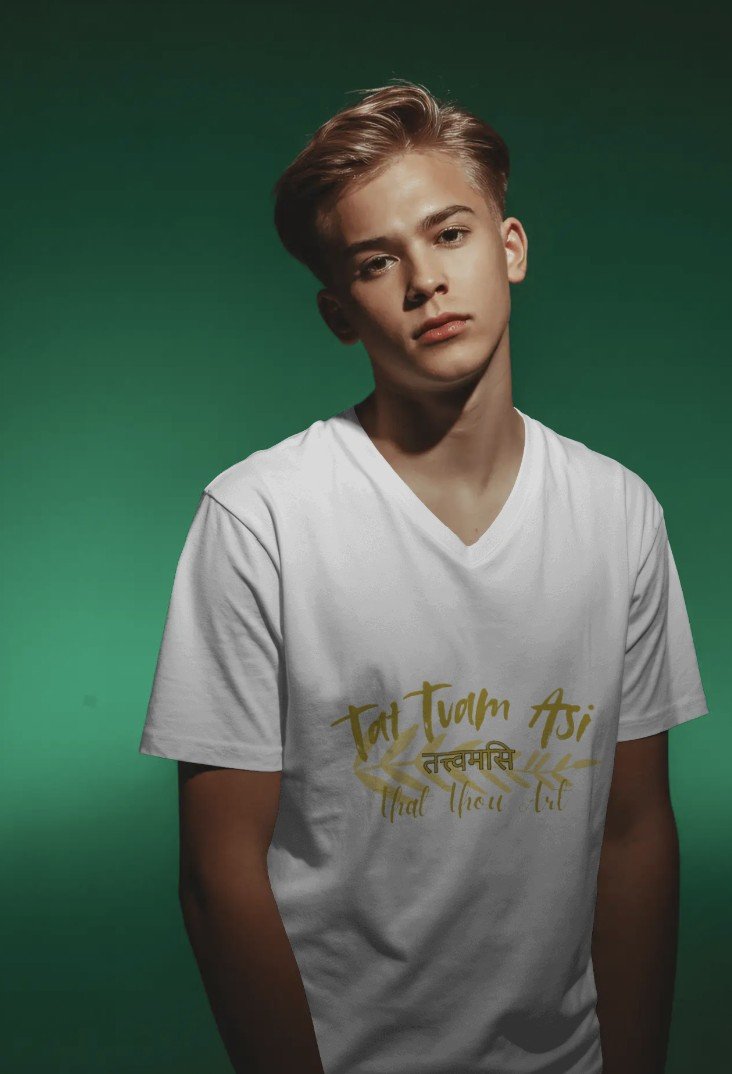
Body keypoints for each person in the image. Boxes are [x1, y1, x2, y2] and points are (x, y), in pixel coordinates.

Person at [139, 79, 710, 1074]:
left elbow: (632, 832)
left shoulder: (620, 514)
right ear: (339, 312)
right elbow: (219, 876)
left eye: (449, 234)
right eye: (377, 260)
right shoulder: (260, 518)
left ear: (510, 247)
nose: (425, 281)